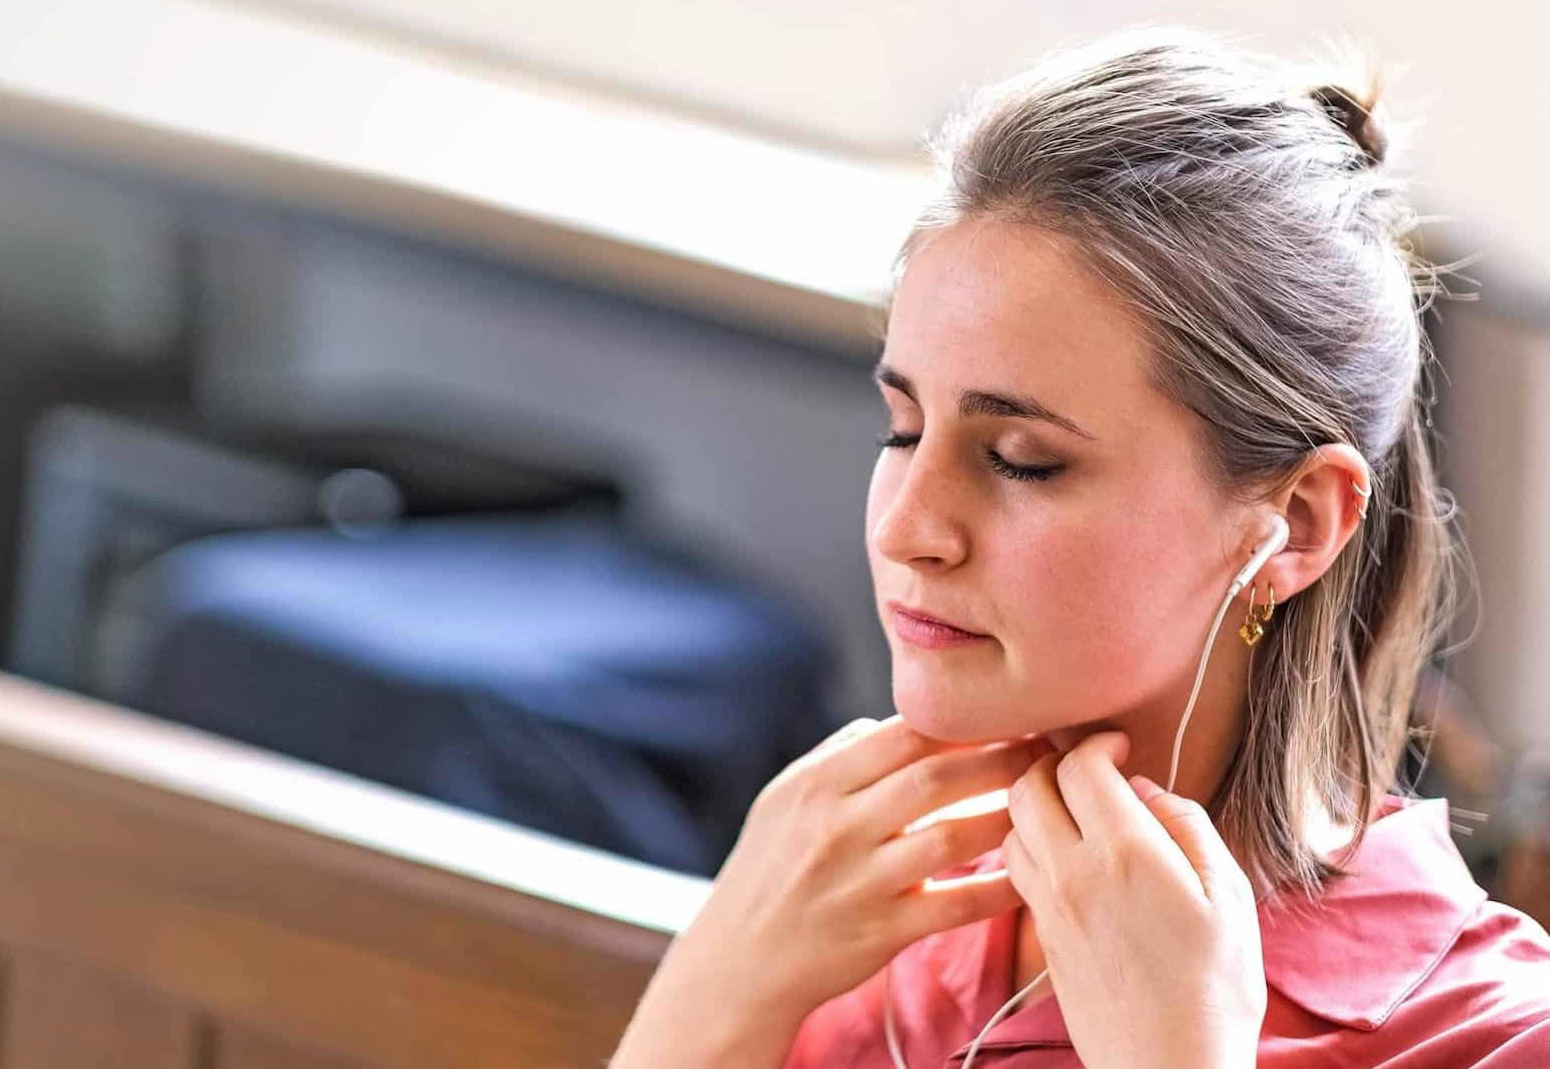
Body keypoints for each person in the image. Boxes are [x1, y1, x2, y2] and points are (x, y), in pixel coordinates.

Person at [609, 27, 1550, 1068]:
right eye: (902, 430)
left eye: (1020, 459)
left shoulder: (1490, 1035)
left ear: (1296, 522)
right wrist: (712, 995)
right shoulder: (844, 923)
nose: (905, 526)